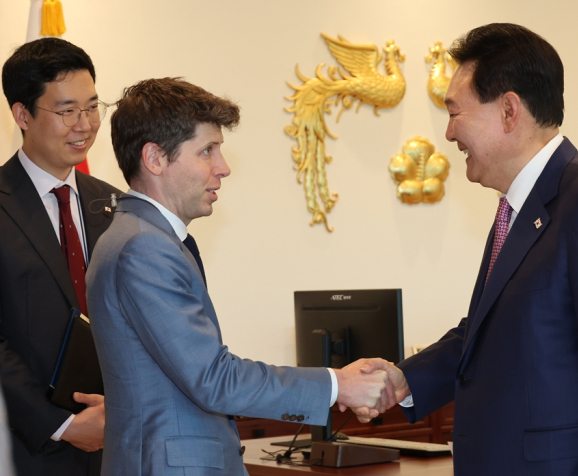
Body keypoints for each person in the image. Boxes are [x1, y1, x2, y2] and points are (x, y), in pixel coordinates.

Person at [363, 23, 578, 475]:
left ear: (509, 111)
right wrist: (404, 379)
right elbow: (491, 330)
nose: (449, 133)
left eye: (455, 112)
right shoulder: (519, 206)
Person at [86, 77, 394, 476]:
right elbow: (213, 379)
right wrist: (339, 384)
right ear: (155, 158)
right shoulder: (145, 247)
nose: (223, 168)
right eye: (207, 151)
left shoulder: (140, 236)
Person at [0, 38, 121, 475]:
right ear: (22, 114)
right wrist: (62, 424)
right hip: (26, 449)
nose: (85, 125)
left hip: (118, 443)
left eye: (92, 107)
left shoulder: (115, 205)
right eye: (67, 110)